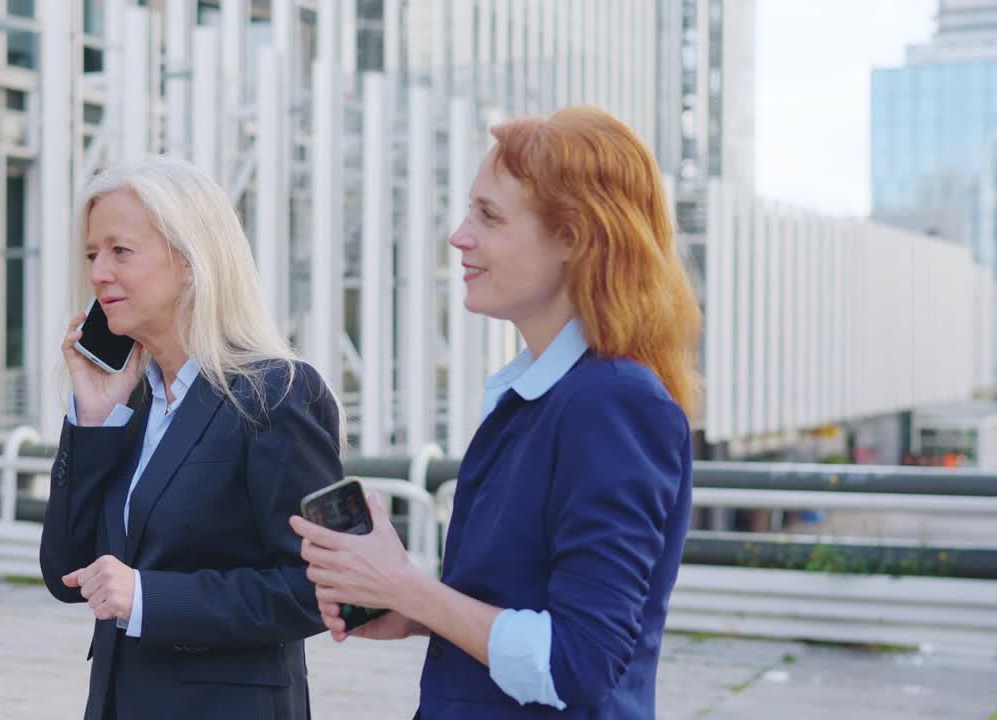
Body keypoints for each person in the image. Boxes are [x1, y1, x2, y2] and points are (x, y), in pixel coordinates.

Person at [290, 106, 701, 719]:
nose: (459, 236)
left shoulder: (613, 404)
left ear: (574, 238)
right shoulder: (543, 398)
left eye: (489, 216)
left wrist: (408, 586)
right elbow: (531, 615)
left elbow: (577, 663)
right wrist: (415, 613)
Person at [40, 157, 343, 720]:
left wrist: (153, 599)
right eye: (91, 255)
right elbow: (65, 571)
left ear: (190, 258)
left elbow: (326, 588)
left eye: (119, 251)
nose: (98, 273)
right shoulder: (127, 403)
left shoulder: (276, 394)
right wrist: (93, 421)